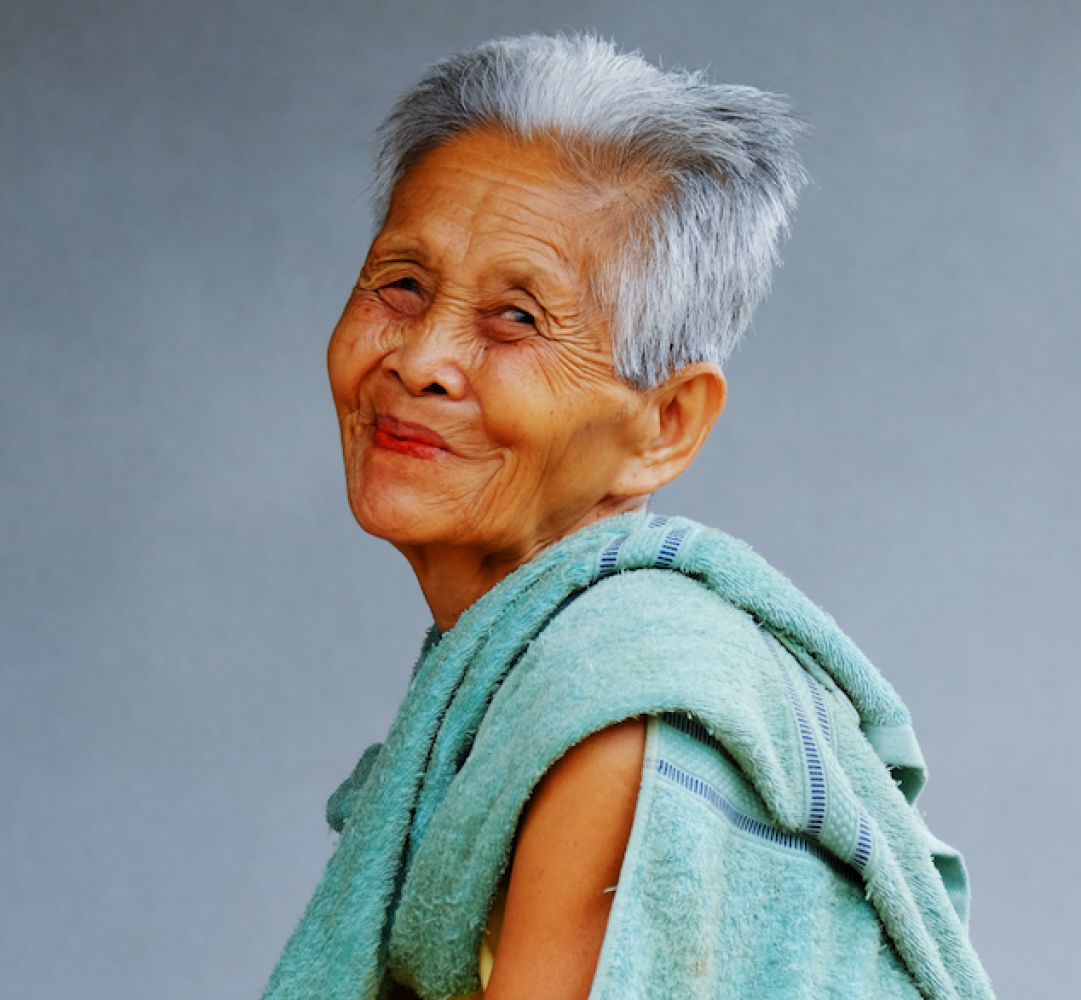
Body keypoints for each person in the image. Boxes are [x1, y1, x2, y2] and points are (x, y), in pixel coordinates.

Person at [263, 33, 993, 1000]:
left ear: (665, 422)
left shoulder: (615, 713)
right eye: (402, 284)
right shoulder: (523, 666)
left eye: (515, 318)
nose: (421, 358)